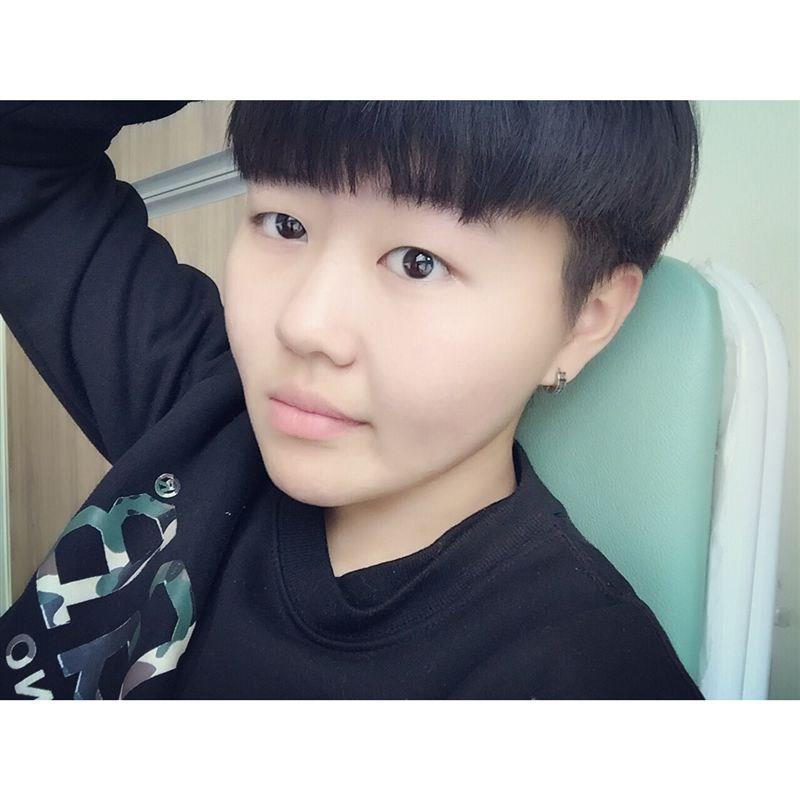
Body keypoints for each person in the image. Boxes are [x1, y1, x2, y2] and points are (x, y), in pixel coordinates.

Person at [0, 100, 704, 699]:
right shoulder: (203, 404)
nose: (304, 325)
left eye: (418, 263)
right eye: (284, 224)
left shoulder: (589, 681)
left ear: (586, 319)